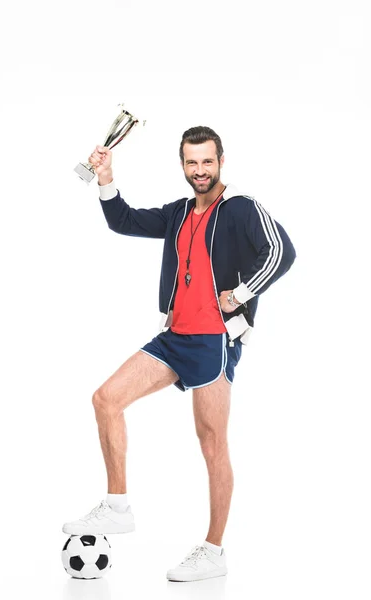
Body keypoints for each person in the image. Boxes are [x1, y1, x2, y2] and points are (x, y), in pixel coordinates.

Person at [62, 126, 296, 582]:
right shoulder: (179, 213)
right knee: (105, 400)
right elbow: (123, 221)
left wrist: (241, 293)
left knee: (212, 445)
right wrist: (106, 177)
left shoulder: (241, 208)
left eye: (207, 161)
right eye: (192, 162)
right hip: (174, 337)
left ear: (221, 161)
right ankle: (117, 506)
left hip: (214, 342)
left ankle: (213, 550)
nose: (200, 170)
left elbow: (282, 252)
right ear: (183, 165)